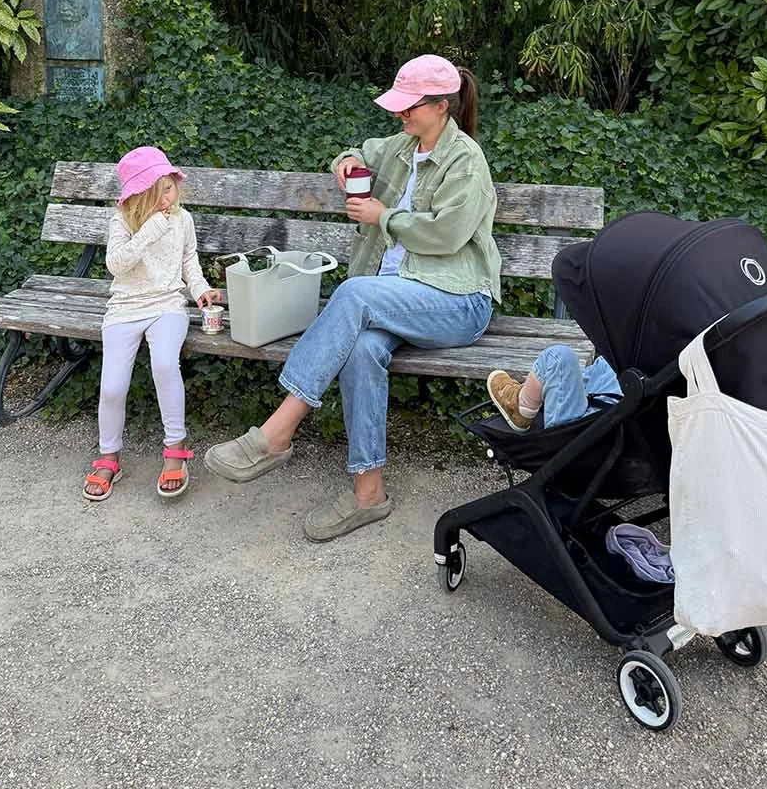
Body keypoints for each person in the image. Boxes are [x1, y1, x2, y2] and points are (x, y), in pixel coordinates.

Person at [204, 53, 500, 541]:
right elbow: (354, 149)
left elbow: (446, 236)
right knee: (362, 348)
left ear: (442, 106)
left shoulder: (465, 161)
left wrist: (382, 216)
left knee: (355, 294)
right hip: (400, 297)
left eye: (410, 106)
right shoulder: (403, 146)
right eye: (399, 105)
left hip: (457, 301)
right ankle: (369, 494)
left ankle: (276, 433)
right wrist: (348, 163)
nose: (400, 114)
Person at [82, 146, 222, 503]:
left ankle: (175, 446)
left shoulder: (183, 219)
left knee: (164, 365)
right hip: (125, 307)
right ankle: (109, 455)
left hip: (167, 305)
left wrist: (202, 290)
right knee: (112, 386)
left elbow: (189, 261)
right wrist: (148, 231)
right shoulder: (122, 219)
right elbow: (116, 265)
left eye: (170, 188)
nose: (167, 197)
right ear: (139, 195)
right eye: (159, 191)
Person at [485, 346, 622, 432]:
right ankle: (541, 391)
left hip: (576, 432)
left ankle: (521, 407)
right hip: (618, 416)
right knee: (616, 362)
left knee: (558, 358)